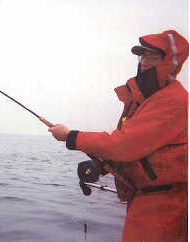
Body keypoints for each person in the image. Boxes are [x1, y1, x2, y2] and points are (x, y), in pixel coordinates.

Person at [48, 30, 188, 242]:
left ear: (169, 62)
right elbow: (141, 151)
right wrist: (102, 167)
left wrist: (71, 137)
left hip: (163, 207)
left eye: (153, 56)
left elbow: (124, 145)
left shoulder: (172, 100)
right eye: (143, 56)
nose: (144, 62)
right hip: (145, 201)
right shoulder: (147, 100)